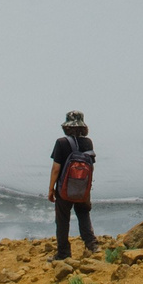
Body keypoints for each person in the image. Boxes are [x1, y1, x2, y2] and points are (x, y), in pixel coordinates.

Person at [48, 110, 98, 262]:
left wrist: (51, 189)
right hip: (82, 187)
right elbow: (91, 167)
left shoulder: (61, 142)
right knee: (83, 214)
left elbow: (56, 168)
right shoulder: (88, 142)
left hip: (64, 189)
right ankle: (92, 245)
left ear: (67, 127)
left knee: (63, 219)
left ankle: (63, 253)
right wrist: (86, 187)